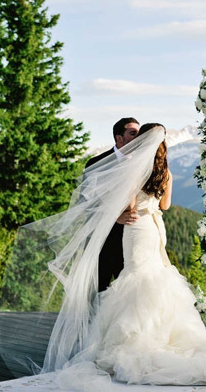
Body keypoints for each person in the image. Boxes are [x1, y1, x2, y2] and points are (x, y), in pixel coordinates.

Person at [41, 123, 206, 387]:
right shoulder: (165, 172)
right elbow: (165, 205)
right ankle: (162, 334)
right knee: (155, 274)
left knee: (136, 276)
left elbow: (129, 206)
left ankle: (137, 337)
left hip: (136, 228)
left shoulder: (135, 169)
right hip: (156, 227)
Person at [85, 117, 141, 292]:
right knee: (100, 288)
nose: (138, 137)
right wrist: (115, 217)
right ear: (119, 138)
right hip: (104, 237)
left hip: (135, 236)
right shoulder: (96, 164)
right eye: (133, 133)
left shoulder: (144, 164)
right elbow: (88, 203)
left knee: (129, 289)